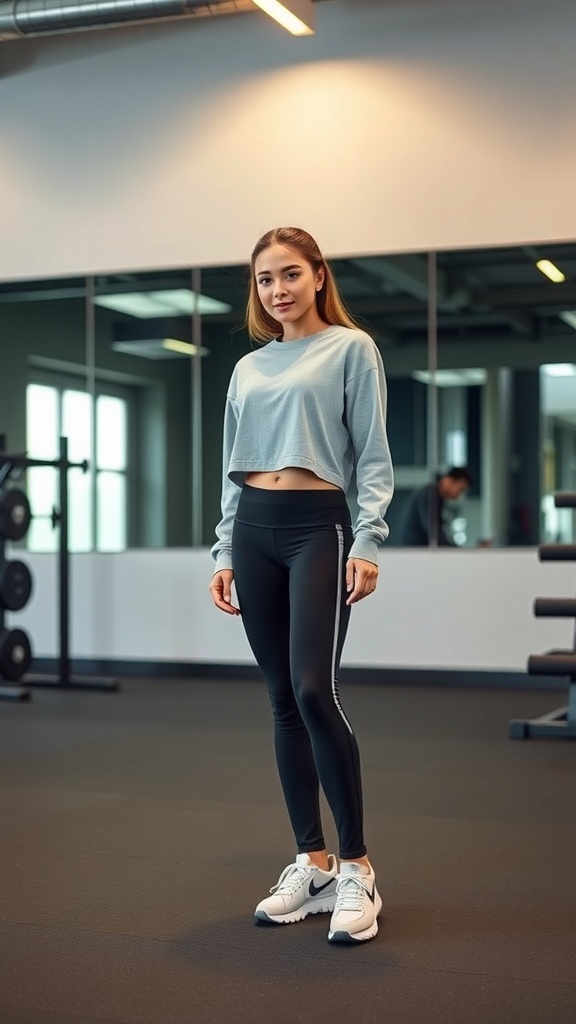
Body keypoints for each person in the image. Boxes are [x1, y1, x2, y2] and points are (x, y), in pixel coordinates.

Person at [209, 227, 394, 945]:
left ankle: (357, 866)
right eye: (264, 280)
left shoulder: (351, 349)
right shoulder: (249, 368)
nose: (277, 290)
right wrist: (223, 550)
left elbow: (373, 453)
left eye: (290, 274)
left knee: (316, 689)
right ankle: (310, 862)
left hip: (320, 524)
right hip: (254, 527)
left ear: (318, 276)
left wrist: (370, 539)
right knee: (282, 699)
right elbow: (232, 464)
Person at [398, 466, 473, 547]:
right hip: (416, 551)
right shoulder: (430, 497)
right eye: (460, 489)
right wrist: (452, 549)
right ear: (448, 480)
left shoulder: (435, 498)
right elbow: (433, 531)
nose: (459, 495)